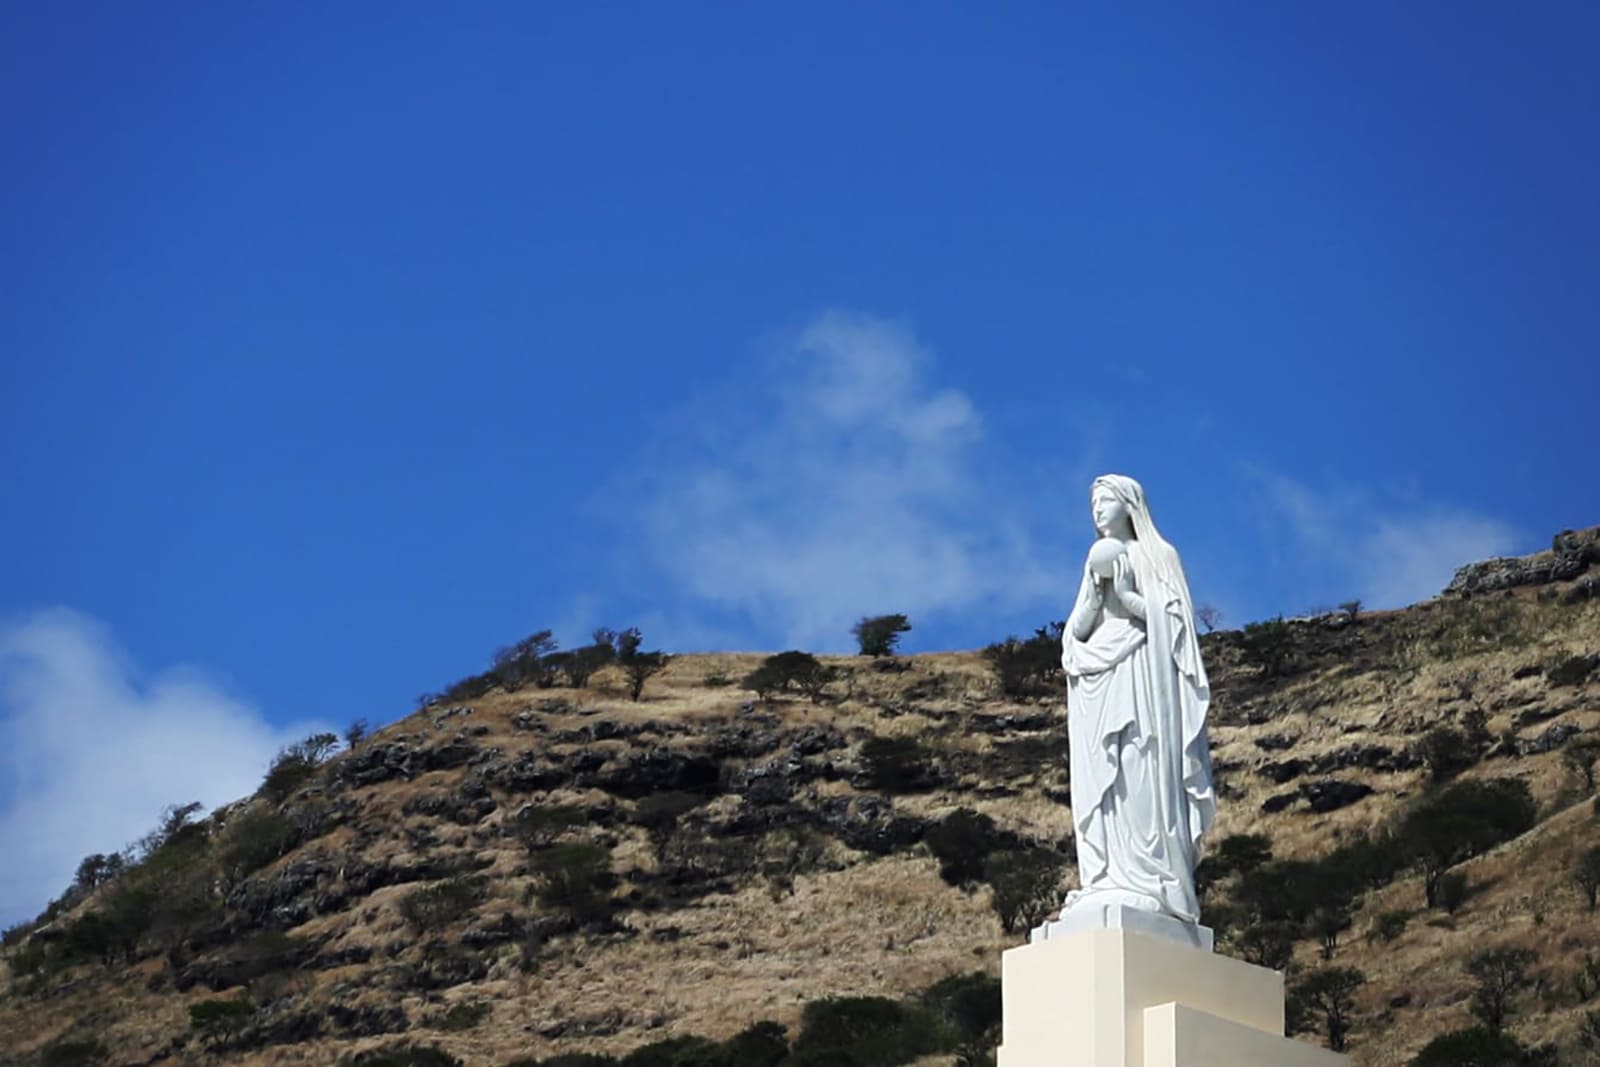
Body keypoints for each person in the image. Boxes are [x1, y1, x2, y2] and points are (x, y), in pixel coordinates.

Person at [1057, 474, 1214, 924]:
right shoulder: (1095, 560)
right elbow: (1075, 635)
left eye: (1105, 501)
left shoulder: (1159, 555)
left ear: (1130, 505)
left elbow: (1174, 624)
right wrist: (1095, 593)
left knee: (1139, 770)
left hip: (1144, 681)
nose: (1097, 511)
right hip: (1100, 682)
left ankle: (1151, 879)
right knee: (1105, 786)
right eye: (1092, 504)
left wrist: (1126, 595)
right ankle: (1106, 879)